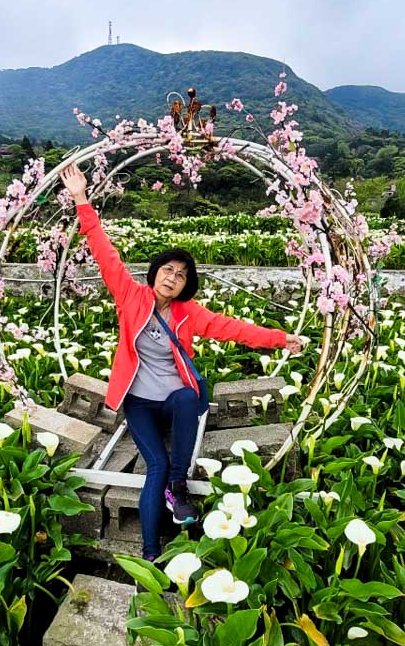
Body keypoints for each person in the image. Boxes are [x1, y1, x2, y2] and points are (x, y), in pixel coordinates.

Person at [60, 165, 304, 561]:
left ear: (186, 285)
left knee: (190, 399)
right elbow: (103, 250)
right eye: (168, 270)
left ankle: (179, 484)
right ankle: (151, 551)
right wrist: (81, 199)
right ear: (156, 273)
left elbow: (234, 329)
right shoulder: (130, 295)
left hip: (174, 400)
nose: (173, 277)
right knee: (154, 462)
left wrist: (280, 339)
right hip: (139, 402)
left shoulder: (190, 313)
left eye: (182, 274)